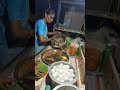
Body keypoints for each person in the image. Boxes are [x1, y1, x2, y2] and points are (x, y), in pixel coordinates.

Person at [0, 0, 35, 69]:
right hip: (9, 45)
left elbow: (28, 16)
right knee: (12, 71)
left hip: (20, 42)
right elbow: (17, 32)